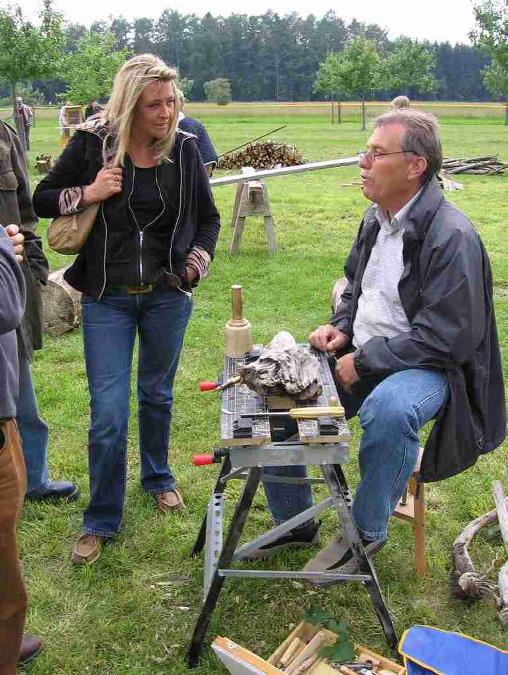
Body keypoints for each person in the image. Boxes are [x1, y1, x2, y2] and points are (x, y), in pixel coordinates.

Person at [249, 109, 506, 575]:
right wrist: (342, 327)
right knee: (278, 390)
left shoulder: (452, 236)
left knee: (389, 411)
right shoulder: (377, 217)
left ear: (415, 166)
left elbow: (448, 339)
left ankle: (365, 534)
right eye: (365, 151)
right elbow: (356, 285)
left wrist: (364, 361)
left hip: (430, 367)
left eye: (376, 153)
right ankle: (295, 522)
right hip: (367, 351)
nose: (362, 162)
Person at [33, 54, 221, 566]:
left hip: (166, 296)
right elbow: (42, 198)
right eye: (154, 104)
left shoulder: (185, 147)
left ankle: (157, 476)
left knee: (157, 394)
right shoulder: (93, 144)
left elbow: (208, 220)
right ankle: (101, 517)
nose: (167, 112)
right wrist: (89, 192)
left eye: (171, 102)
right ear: (129, 104)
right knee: (108, 414)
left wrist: (192, 268)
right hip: (106, 299)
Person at [0, 119, 80, 503]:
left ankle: (32, 478)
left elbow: (25, 210)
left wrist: (33, 264)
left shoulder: (4, 136)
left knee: (19, 386)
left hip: (7, 284)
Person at [177, 90, 218, 177]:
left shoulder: (184, 124)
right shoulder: (187, 121)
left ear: (181, 103)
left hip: (203, 163)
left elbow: (188, 151)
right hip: (204, 161)